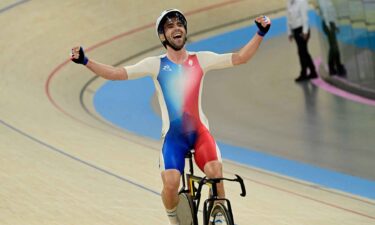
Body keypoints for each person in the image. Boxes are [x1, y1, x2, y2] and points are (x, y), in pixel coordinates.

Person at [71, 9, 271, 225]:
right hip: (174, 137)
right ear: (162, 36)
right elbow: (117, 73)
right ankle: (174, 220)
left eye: (179, 24)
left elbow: (241, 58)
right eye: (170, 26)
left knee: (215, 171)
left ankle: (219, 213)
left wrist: (260, 33)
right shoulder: (155, 64)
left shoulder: (200, 59)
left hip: (200, 133)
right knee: (171, 182)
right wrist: (86, 61)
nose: (176, 28)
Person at [287, 0, 318, 82]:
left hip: (302, 30)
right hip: (295, 30)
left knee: (302, 52)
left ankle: (305, 73)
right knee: (303, 52)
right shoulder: (289, 2)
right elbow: (289, 18)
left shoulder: (302, 2)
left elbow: (305, 18)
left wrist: (305, 31)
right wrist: (289, 32)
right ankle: (312, 71)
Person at [318, 0, 346, 76]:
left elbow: (333, 12)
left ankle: (335, 66)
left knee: (334, 46)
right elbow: (325, 13)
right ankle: (336, 66)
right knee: (334, 46)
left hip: (332, 23)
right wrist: (328, 25)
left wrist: (336, 25)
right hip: (327, 25)